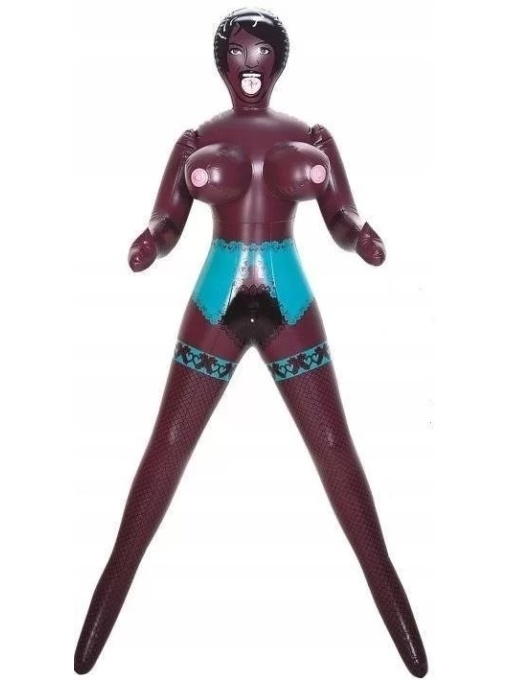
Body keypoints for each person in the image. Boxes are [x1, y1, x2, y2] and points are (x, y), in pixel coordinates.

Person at [75, 8, 427, 677]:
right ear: (221, 63)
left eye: (262, 52)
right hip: (219, 296)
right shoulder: (196, 139)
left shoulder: (309, 135)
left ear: (279, 62)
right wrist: (150, 242)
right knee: (169, 443)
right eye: (238, 52)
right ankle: (104, 603)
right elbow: (168, 220)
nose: (250, 63)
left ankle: (396, 607)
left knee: (334, 446)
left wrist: (363, 238)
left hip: (288, 298)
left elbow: (341, 216)